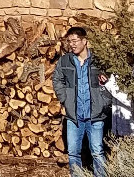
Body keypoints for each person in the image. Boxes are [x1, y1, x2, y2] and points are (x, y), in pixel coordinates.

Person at [52, 26, 110, 177]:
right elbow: (57, 80)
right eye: (69, 41)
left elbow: (110, 81)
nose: (72, 44)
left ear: (84, 41)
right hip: (74, 116)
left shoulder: (98, 60)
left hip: (95, 114)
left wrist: (104, 102)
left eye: (75, 41)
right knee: (73, 153)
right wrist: (65, 99)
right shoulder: (65, 61)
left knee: (97, 151)